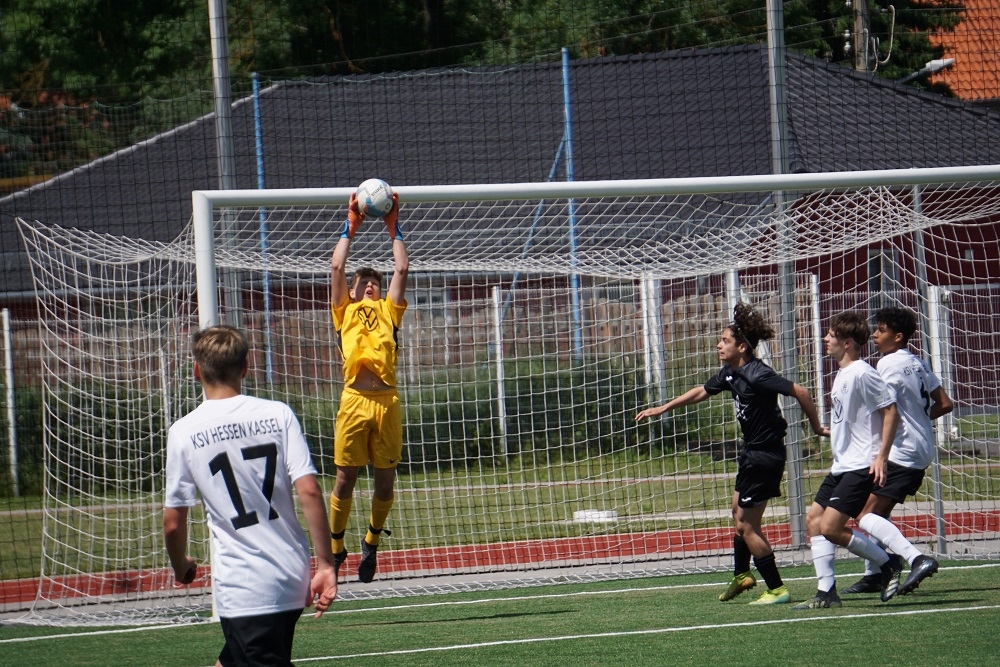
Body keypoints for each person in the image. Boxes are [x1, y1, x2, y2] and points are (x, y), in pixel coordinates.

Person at [163, 325, 338, 667]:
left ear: (196, 370)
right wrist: (326, 564)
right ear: (245, 367)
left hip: (245, 585)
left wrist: (180, 564)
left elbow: (173, 522)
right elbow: (309, 490)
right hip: (291, 573)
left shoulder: (184, 431)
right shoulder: (278, 413)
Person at [636, 302, 827, 605]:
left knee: (746, 525)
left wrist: (816, 428)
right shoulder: (731, 373)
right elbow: (702, 391)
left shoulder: (757, 374)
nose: (718, 345)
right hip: (751, 452)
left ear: (742, 347)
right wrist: (664, 407)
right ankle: (742, 574)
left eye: (724, 340)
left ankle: (777, 589)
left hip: (765, 455)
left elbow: (800, 391)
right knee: (737, 509)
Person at [792, 310, 906, 610]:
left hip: (860, 465)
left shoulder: (862, 373)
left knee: (831, 527)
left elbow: (891, 411)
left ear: (847, 343)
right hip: (842, 465)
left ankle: (888, 562)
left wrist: (882, 456)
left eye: (831, 335)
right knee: (814, 520)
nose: (825, 339)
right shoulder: (843, 374)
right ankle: (826, 591)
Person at [842, 306, 953, 596]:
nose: (874, 335)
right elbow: (945, 403)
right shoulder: (918, 362)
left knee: (864, 513)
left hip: (901, 451)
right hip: (920, 447)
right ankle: (874, 574)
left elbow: (886, 410)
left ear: (898, 336)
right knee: (879, 512)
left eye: (881, 330)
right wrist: (918, 420)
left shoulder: (886, 364)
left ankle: (916, 559)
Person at [328, 187, 409, 583]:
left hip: (386, 402)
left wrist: (393, 226)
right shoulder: (344, 311)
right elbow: (336, 267)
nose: (370, 285)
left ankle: (371, 542)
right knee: (345, 479)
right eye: (363, 282)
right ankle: (336, 547)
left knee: (384, 482)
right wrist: (352, 224)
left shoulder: (389, 311)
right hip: (354, 401)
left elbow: (402, 270)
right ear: (353, 290)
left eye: (374, 282)